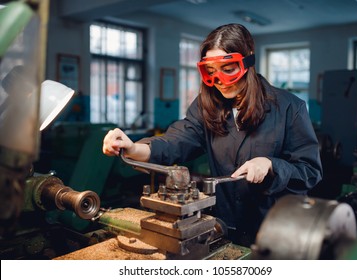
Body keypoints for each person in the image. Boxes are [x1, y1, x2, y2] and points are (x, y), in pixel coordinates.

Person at [102, 23, 322, 247]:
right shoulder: (206, 106)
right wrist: (133, 148)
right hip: (223, 228)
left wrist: (270, 164)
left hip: (275, 231)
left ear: (248, 61)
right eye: (211, 72)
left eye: (228, 69)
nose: (220, 81)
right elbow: (174, 142)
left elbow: (310, 172)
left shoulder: (289, 108)